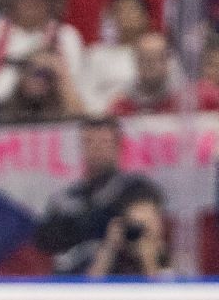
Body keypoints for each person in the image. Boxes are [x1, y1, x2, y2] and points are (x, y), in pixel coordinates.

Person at [34, 115, 158, 274]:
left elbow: (142, 225)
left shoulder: (135, 189)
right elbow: (47, 240)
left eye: (104, 142)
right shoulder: (64, 198)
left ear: (118, 146)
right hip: (71, 284)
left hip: (121, 282)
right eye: (90, 142)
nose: (97, 148)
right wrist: (96, 224)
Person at [85, 181, 169, 278]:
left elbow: (168, 290)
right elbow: (89, 286)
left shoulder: (173, 253)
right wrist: (109, 248)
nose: (140, 234)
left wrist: (149, 261)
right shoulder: (115, 255)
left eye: (145, 226)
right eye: (136, 227)